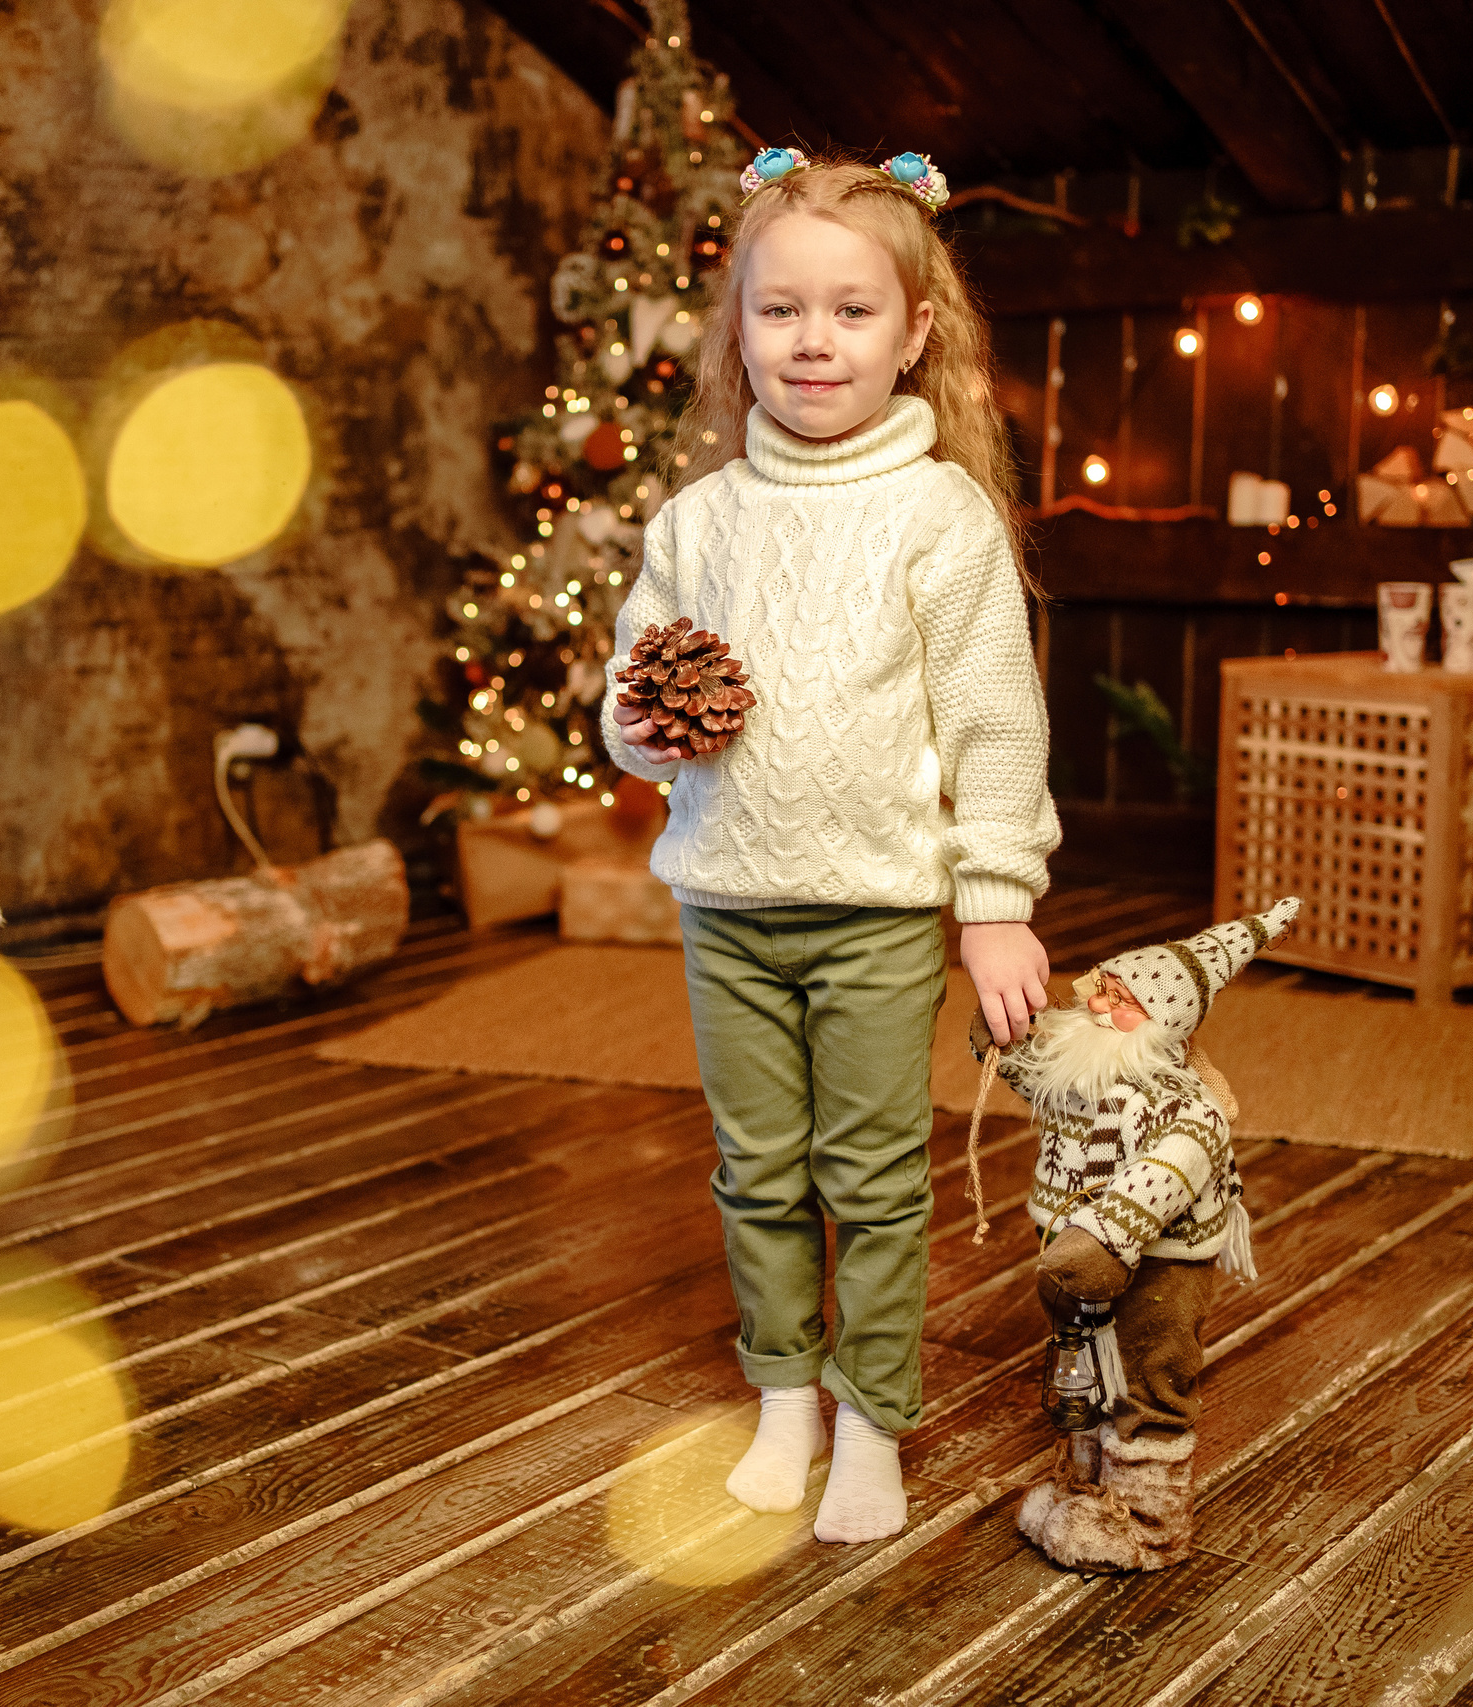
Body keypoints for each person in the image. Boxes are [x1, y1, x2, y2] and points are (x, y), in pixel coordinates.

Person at [603, 146, 1058, 1544]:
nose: (814, 340)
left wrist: (994, 903)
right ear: (737, 326)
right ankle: (783, 1393)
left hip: (871, 910)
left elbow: (993, 723)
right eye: (780, 308)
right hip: (727, 904)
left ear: (917, 332)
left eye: (853, 311)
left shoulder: (940, 517)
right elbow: (632, 691)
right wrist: (645, 732)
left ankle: (871, 1414)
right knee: (757, 1164)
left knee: (868, 1172)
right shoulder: (699, 520)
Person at [978, 900, 1297, 1570]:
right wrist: (1004, 1038)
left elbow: (1162, 1172)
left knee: (1150, 1375)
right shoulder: (1087, 1072)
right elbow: (1036, 1075)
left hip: (1158, 1264)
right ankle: (1087, 1489)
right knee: (1091, 1373)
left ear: (1163, 1025)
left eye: (1123, 1004)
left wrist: (1104, 1234)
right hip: (1078, 1259)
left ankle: (1149, 1522)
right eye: (1104, 991)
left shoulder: (1186, 1107)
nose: (1099, 1009)